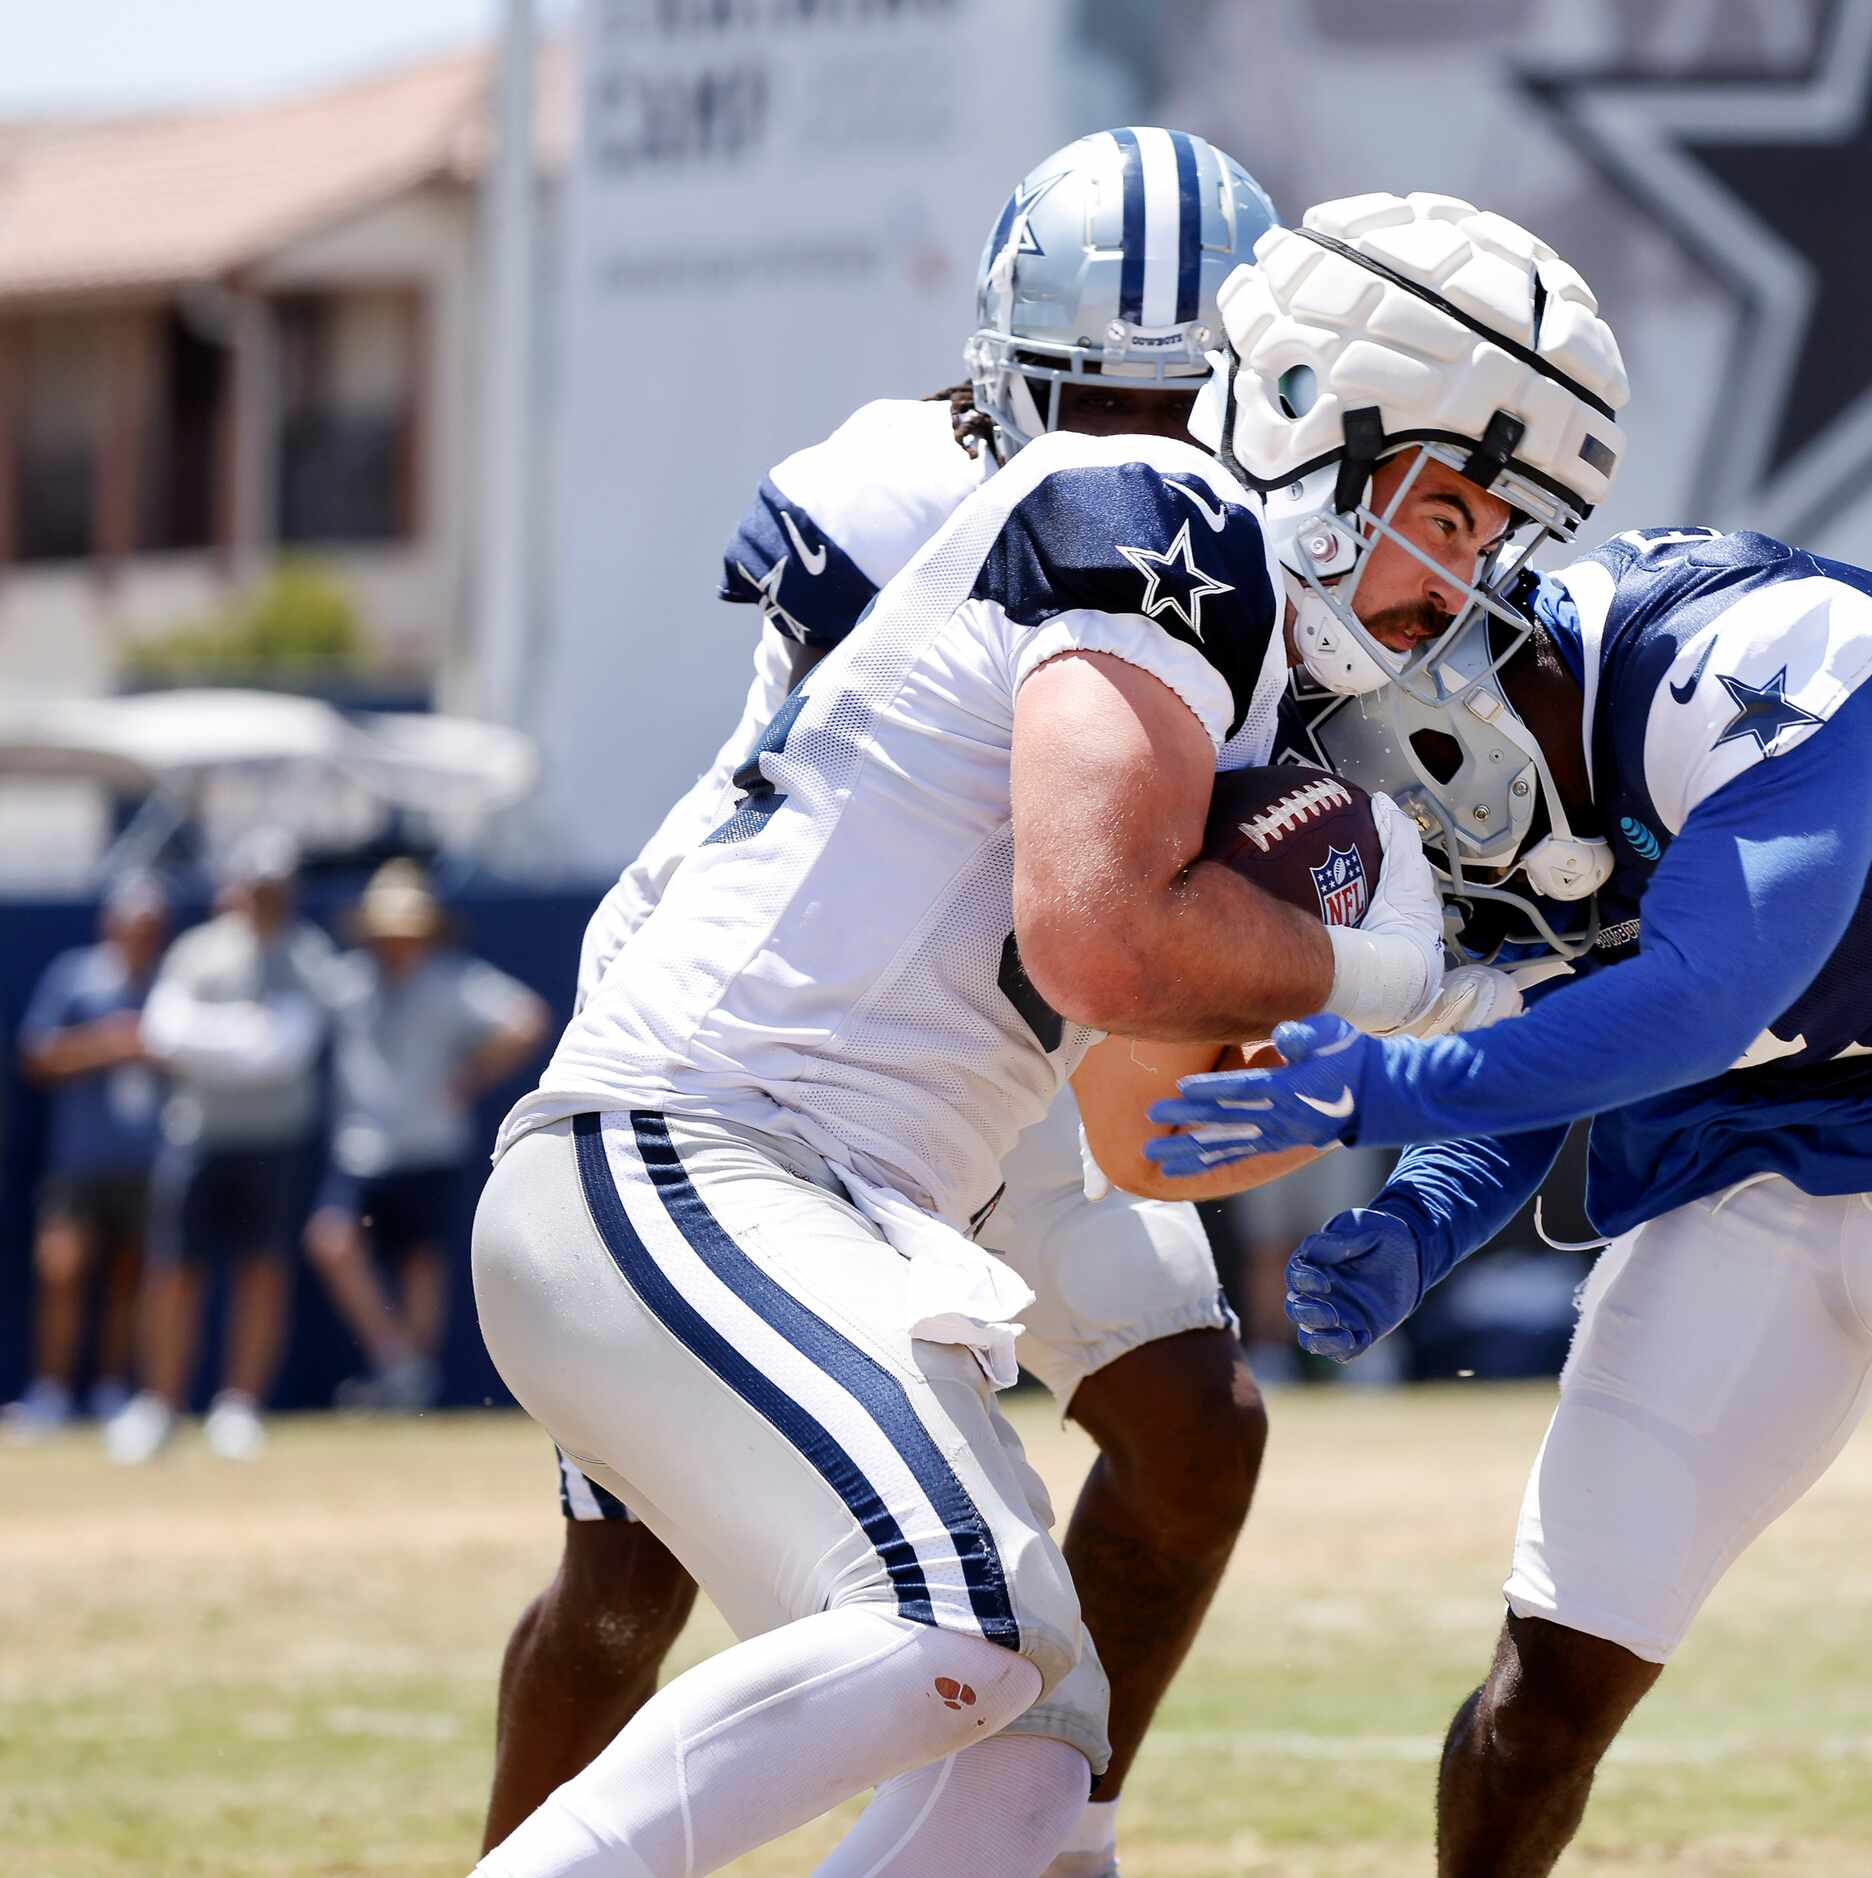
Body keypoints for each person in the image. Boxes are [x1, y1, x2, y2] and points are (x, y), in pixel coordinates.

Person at [468, 179, 1622, 1876]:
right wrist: (1401, 971)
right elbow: (1094, 941)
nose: (1460, 575)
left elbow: (1147, 1118)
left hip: (864, 1174)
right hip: (704, 1140)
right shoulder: (1156, 509)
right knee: (947, 1615)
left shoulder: (1256, 658)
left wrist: (1389, 1025)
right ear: (1319, 415)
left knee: (1033, 1753)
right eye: (1446, 512)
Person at [1153, 524, 1872, 1876]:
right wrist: (1425, 1212)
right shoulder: (1491, 811)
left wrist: (1376, 1096)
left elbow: (1699, 997)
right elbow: (1542, 1015)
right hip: (1749, 1184)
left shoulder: (1754, 661)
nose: (1390, 790)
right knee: (1541, 1697)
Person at [480, 130, 1286, 1878]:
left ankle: (1050, 1812)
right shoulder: (897, 480)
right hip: (799, 1033)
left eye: (1172, 403)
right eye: (1090, 393)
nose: (1125, 443)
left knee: (1191, 1427)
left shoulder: (1247, 543)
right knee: (632, 1579)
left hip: (1009, 1054)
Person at [106, 830, 336, 1465]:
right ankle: (160, 1405)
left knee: (261, 1273)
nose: (265, 900)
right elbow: (163, 1031)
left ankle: (239, 1407)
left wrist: (213, 1041)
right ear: (236, 888)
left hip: (275, 1142)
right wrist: (243, 1039)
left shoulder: (310, 958)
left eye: (276, 890)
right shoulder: (197, 951)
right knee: (175, 1273)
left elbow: (285, 1053)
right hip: (199, 1137)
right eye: (256, 888)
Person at [306, 861, 547, 1411]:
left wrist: (476, 1073)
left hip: (429, 1144)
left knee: (421, 1263)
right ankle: (398, 1362)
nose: (397, 943)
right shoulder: (345, 983)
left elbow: (526, 1018)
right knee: (333, 1240)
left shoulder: (451, 980)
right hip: (362, 1145)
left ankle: (409, 1385)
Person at [5, 875, 171, 1439]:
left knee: (132, 1279)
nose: (142, 937)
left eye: (152, 929)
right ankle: (50, 1391)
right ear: (112, 926)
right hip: (78, 1164)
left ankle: (110, 1389)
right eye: (135, 926)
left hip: (145, 1161)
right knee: (62, 1274)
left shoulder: (169, 985)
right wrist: (109, 1045)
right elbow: (38, 1055)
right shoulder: (74, 978)